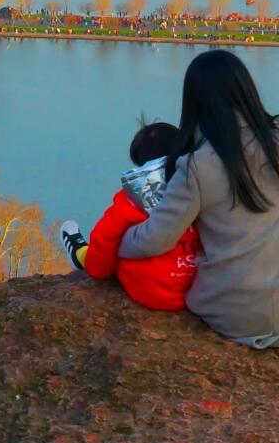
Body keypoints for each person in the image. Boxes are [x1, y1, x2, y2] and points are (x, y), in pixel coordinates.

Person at [117, 49, 279, 348]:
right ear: (246, 91)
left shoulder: (195, 167)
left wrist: (120, 243)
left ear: (193, 103)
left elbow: (156, 239)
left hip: (233, 316)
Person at [60, 121, 201, 311]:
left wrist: (96, 270)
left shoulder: (131, 200)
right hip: (197, 289)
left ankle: (81, 254)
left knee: (113, 244)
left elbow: (104, 238)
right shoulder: (201, 191)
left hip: (152, 292)